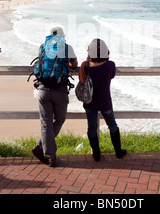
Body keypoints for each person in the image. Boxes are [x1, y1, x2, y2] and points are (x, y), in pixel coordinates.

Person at [31, 27, 78, 167]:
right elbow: (74, 65)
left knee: (46, 123)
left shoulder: (43, 46)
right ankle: (49, 155)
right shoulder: (67, 47)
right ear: (63, 36)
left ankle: (43, 149)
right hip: (59, 90)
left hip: (43, 89)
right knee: (60, 119)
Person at [79, 38, 127, 161]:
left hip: (90, 102)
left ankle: (96, 154)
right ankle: (118, 152)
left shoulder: (85, 66)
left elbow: (82, 80)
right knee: (112, 125)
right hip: (105, 101)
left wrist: (87, 59)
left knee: (91, 128)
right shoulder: (110, 65)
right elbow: (112, 75)